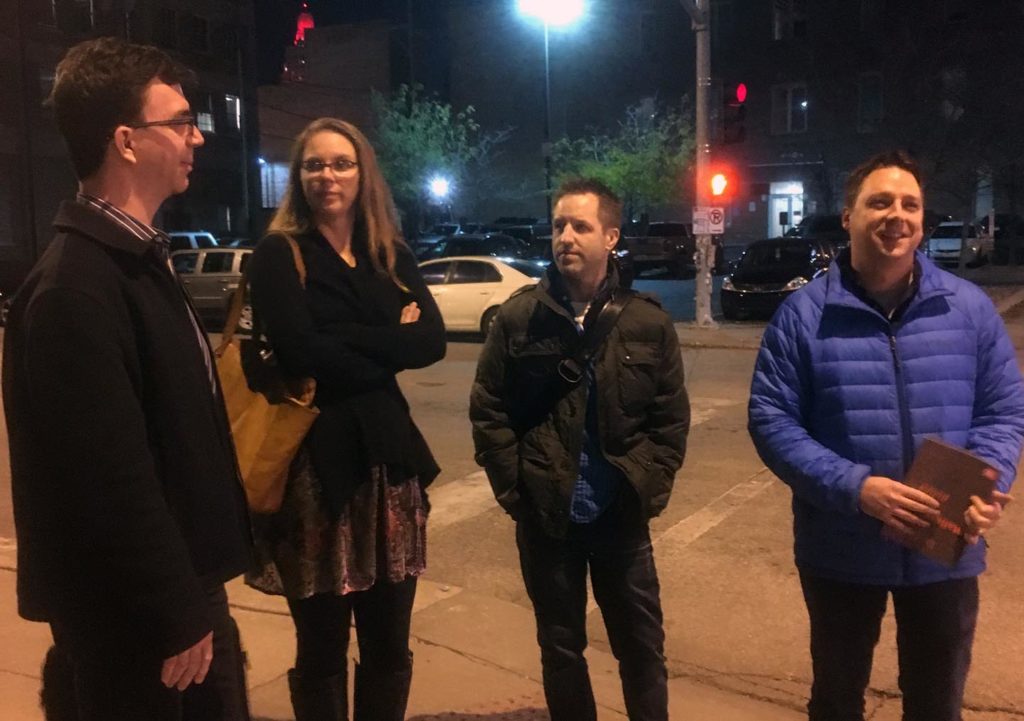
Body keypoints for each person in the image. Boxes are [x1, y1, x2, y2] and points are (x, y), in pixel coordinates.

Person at [2, 37, 252, 720]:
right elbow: (108, 478)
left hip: (177, 590)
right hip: (135, 615)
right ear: (127, 141)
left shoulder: (134, 261)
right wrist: (175, 609)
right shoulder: (76, 288)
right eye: (178, 121)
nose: (195, 137)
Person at [748, 150, 1024, 721]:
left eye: (910, 204)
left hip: (943, 549)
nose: (896, 215)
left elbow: (1003, 411)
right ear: (848, 217)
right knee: (837, 700)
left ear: (922, 221)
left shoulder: (968, 310)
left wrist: (985, 480)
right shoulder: (803, 316)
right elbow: (772, 421)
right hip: (841, 548)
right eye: (879, 202)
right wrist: (856, 488)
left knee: (936, 703)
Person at [244, 117, 445, 721]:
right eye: (313, 164)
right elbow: (301, 350)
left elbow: (431, 341)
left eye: (341, 163)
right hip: (315, 475)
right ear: (297, 176)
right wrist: (387, 338)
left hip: (390, 468)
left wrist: (342, 336)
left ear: (364, 174)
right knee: (322, 646)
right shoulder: (279, 254)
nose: (327, 176)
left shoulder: (391, 252)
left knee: (389, 645)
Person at [469, 178, 689, 721]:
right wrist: (515, 489)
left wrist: (649, 487)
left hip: (621, 514)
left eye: (580, 226)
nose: (565, 236)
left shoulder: (648, 323)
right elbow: (488, 408)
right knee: (561, 649)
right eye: (559, 225)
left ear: (610, 236)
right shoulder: (519, 318)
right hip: (547, 517)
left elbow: (670, 420)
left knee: (641, 649)